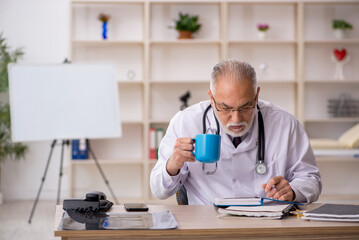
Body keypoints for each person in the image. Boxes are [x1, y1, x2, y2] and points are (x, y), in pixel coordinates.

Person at [150, 59, 322, 205]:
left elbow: (311, 178)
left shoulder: (285, 124)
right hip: (208, 225)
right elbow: (159, 190)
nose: (236, 119)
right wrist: (173, 165)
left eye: (246, 106)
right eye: (225, 108)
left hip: (267, 224)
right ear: (211, 98)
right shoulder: (185, 122)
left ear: (256, 96)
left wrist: (293, 191)